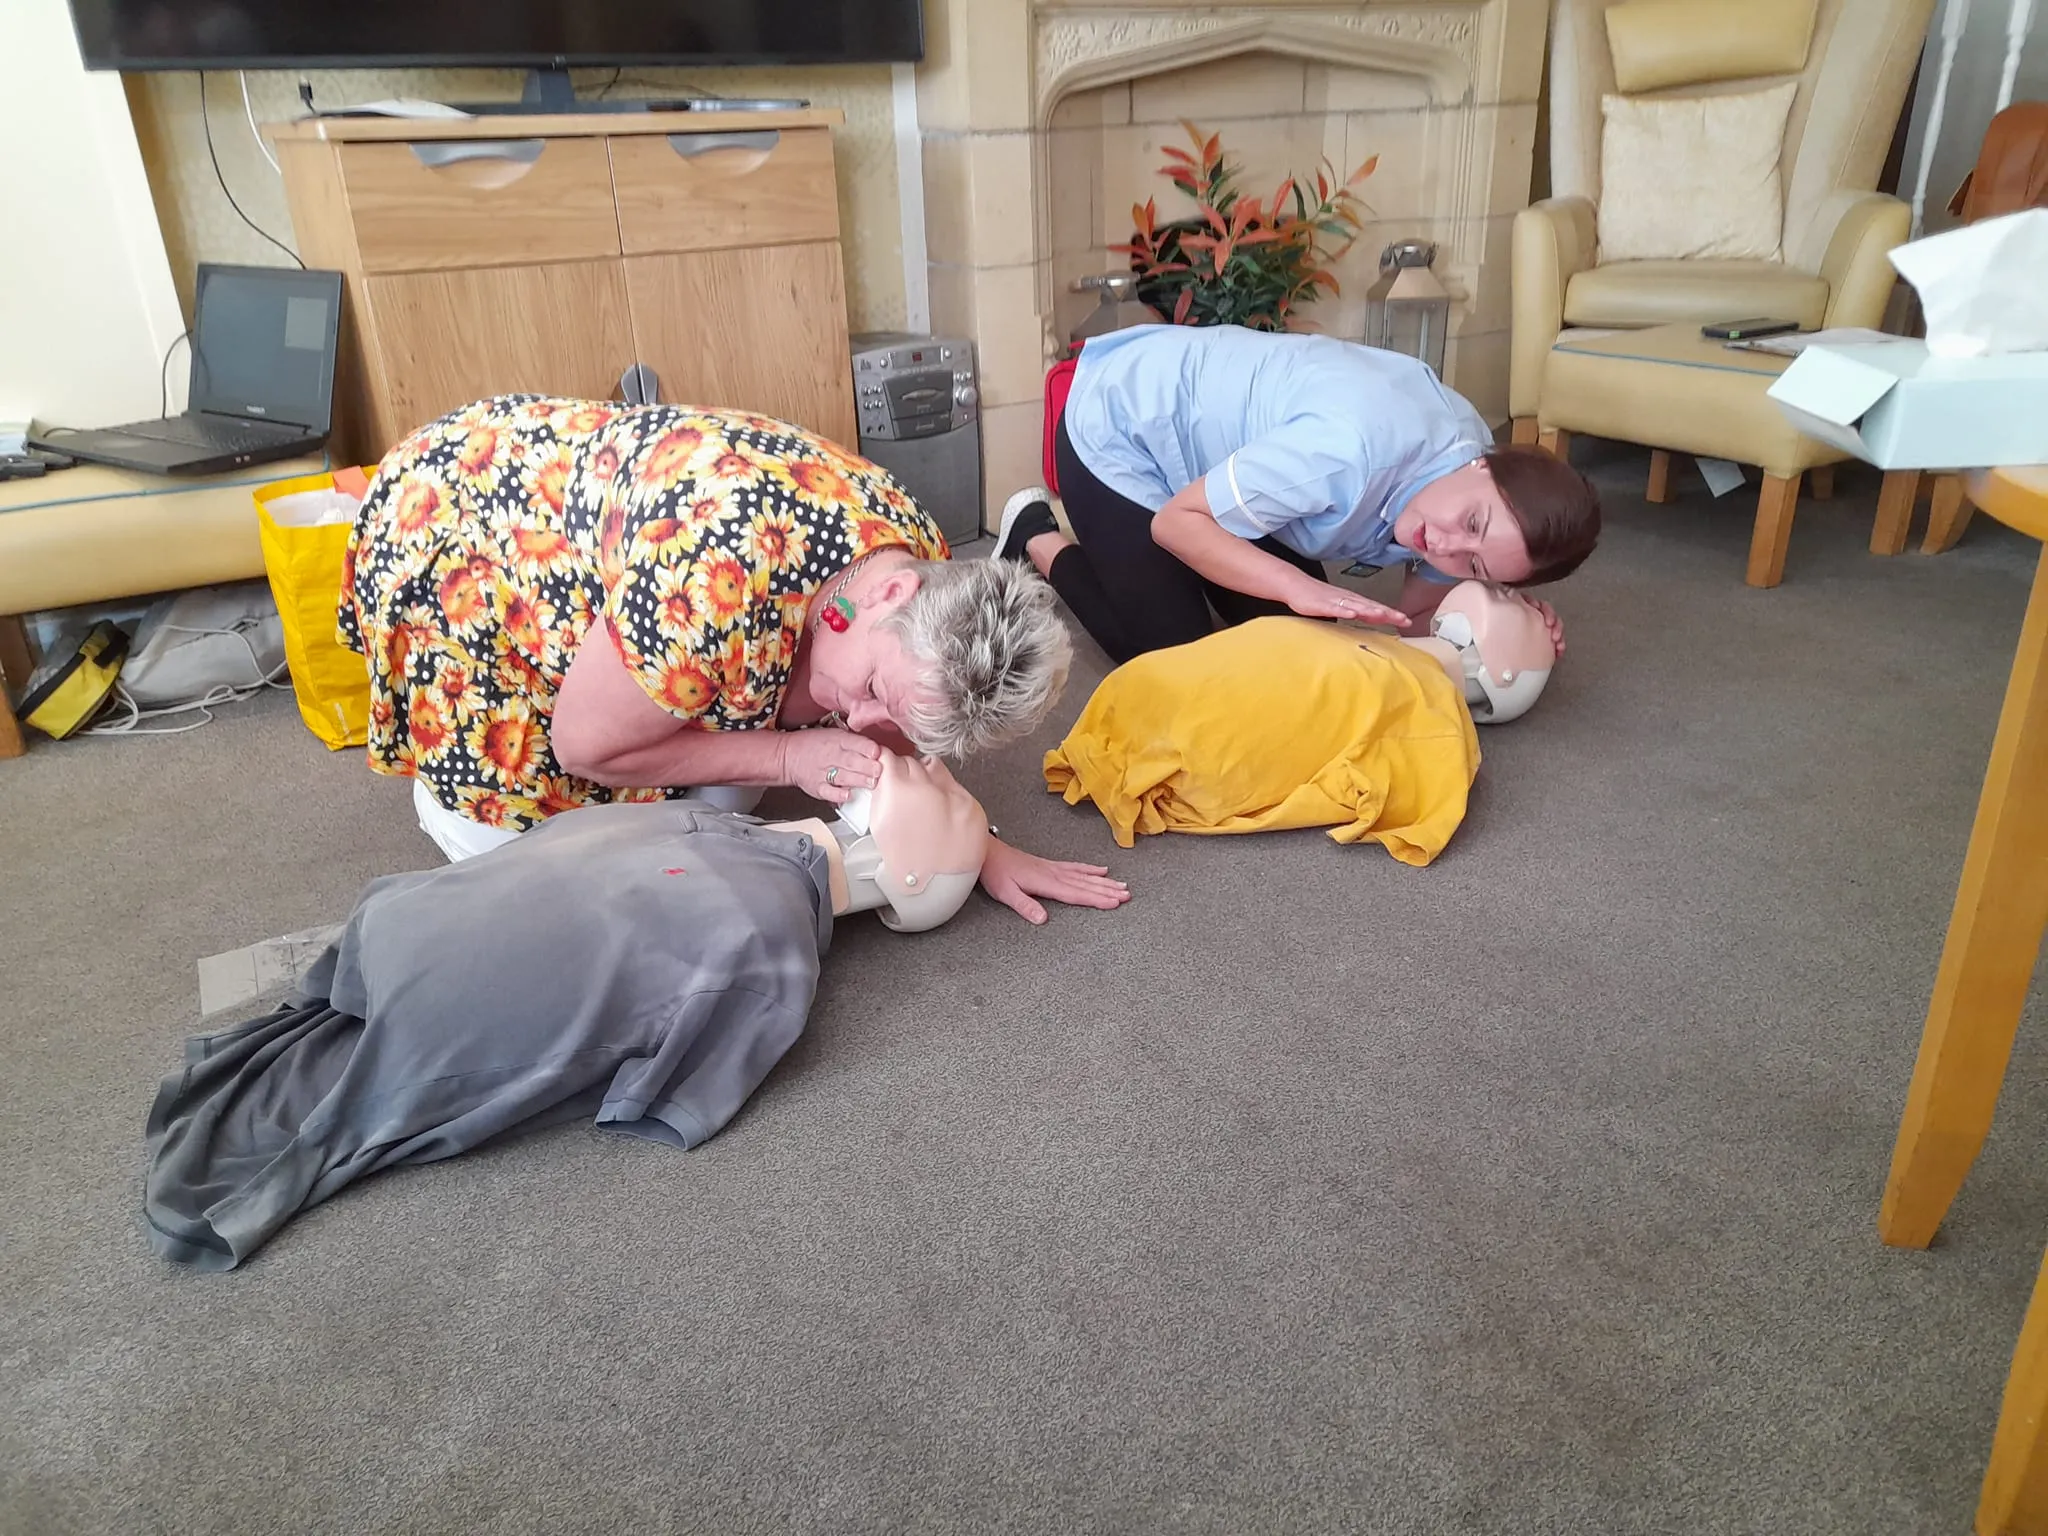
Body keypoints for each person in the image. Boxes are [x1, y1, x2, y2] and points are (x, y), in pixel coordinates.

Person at [143, 749, 1000, 1270]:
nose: (931, 766)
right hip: (426, 941)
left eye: (953, 802)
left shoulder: (767, 931)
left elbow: (659, 1092)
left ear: (912, 878)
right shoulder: (757, 878)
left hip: (408, 933)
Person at [340, 394, 1128, 925]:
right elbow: (582, 746)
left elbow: (906, 708)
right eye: (875, 691)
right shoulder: (712, 578)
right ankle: (448, 807)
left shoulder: (914, 567)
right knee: (562, 892)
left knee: (724, 801)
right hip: (465, 527)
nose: (861, 722)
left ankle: (674, 710)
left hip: (657, 550)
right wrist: (787, 753)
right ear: (889, 596)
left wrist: (974, 839)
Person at [991, 324, 1602, 664]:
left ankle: (1168, 559)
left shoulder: (1461, 465)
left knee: (1317, 637)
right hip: (1125, 421)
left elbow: (1411, 621)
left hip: (1229, 462)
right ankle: (1034, 534)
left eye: (1472, 563)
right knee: (1169, 655)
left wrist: (1503, 628)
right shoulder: (1343, 455)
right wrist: (1299, 584)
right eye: (1470, 523)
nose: (1439, 544)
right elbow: (1176, 524)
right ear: (1481, 462)